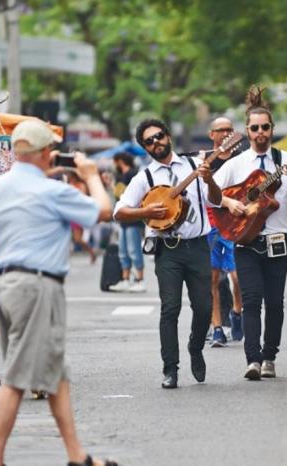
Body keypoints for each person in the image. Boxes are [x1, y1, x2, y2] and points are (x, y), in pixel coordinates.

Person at [0, 119, 116, 466]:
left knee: (56, 373)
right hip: (37, 286)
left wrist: (41, 168)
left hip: (6, 285)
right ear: (46, 152)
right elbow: (103, 210)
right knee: (17, 377)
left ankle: (77, 455)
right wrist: (88, 176)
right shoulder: (52, 190)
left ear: (13, 150)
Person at [114, 118, 222, 389]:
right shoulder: (145, 178)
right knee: (170, 308)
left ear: (168, 136)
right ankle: (170, 369)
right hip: (168, 250)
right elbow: (119, 211)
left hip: (197, 245)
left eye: (159, 136)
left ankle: (195, 348)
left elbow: (217, 200)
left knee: (204, 307)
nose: (156, 143)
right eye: (149, 141)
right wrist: (146, 212)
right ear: (144, 148)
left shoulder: (195, 166)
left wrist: (209, 181)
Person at [214, 87, 287, 379]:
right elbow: (208, 191)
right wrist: (229, 202)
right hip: (246, 240)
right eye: (255, 128)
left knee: (275, 302)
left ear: (272, 129)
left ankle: (269, 357)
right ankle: (252, 359)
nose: (260, 132)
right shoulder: (235, 165)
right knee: (250, 300)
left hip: (277, 239)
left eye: (265, 127)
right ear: (247, 131)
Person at [205, 117, 244, 347]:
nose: (226, 133)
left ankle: (237, 312)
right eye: (221, 130)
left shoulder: (241, 159)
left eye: (230, 129)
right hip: (211, 226)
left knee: (237, 278)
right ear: (212, 134)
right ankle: (217, 328)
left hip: (236, 225)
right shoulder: (205, 161)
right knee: (212, 280)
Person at [109, 152, 145, 292]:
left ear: (120, 161)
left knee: (134, 249)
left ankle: (140, 279)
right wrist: (111, 185)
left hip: (133, 218)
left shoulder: (134, 174)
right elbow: (118, 194)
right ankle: (125, 279)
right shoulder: (120, 175)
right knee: (123, 250)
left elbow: (129, 193)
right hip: (123, 218)